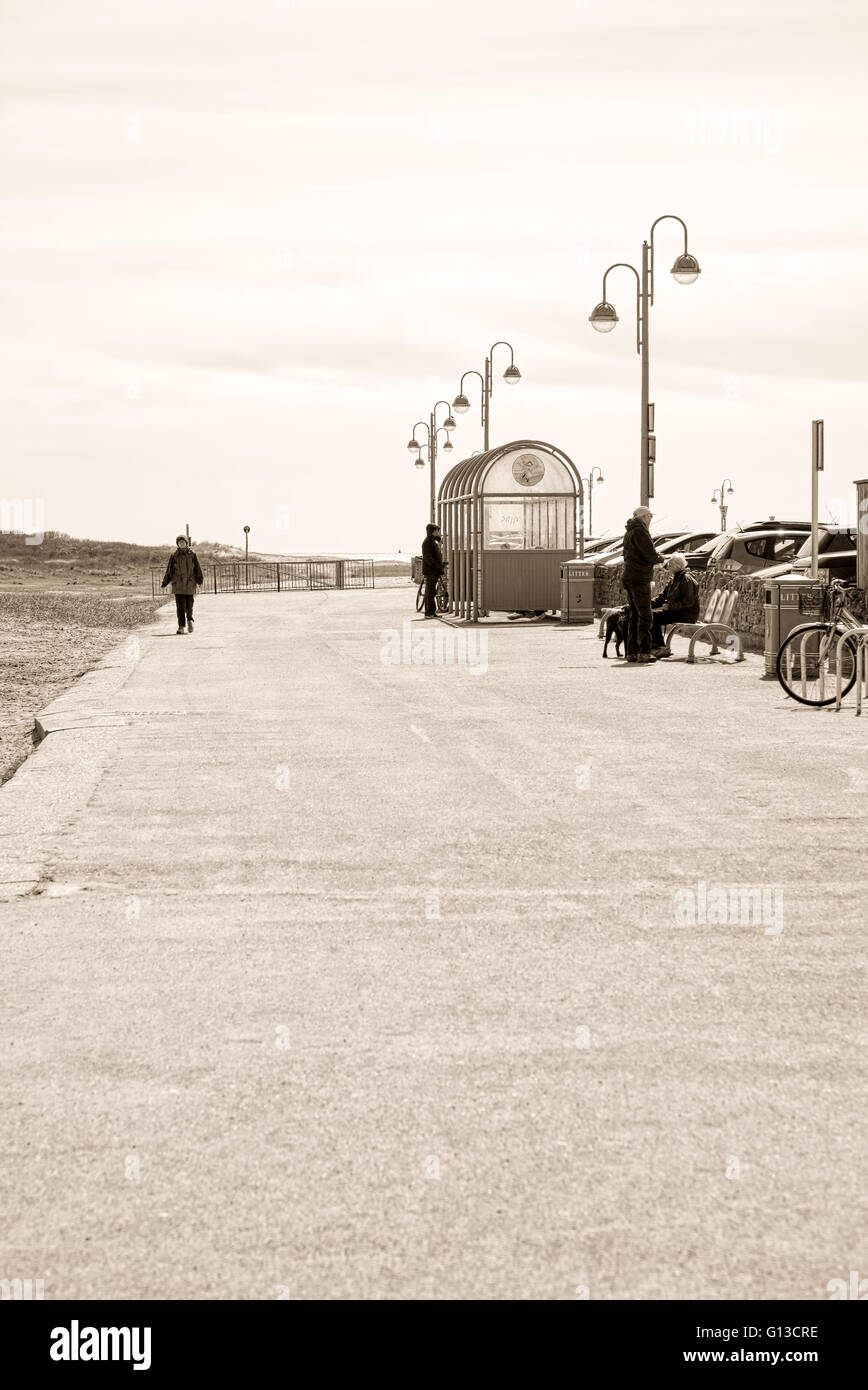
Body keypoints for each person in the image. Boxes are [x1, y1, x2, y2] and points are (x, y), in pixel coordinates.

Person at [621, 505, 663, 663]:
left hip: (630, 577)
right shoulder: (640, 531)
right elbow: (650, 554)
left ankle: (631, 652)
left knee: (634, 615)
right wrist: (661, 559)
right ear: (644, 517)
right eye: (650, 516)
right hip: (639, 578)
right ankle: (644, 652)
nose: (651, 519)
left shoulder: (630, 531)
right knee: (646, 616)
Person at [650, 553, 700, 656]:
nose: (668, 568)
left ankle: (660, 647)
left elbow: (689, 602)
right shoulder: (674, 579)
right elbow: (661, 598)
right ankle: (657, 646)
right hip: (675, 611)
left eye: (670, 565)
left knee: (653, 617)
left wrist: (670, 606)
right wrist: (646, 605)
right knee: (649, 614)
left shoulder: (687, 579)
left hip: (686, 614)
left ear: (678, 566)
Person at [161, 534, 204, 634]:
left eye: (183, 542)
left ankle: (189, 620)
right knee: (180, 607)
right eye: (179, 542)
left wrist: (199, 580)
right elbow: (169, 571)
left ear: (186, 543)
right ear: (177, 544)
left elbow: (197, 568)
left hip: (190, 584)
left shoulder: (192, 555)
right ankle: (181, 626)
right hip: (178, 584)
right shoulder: (174, 556)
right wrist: (165, 582)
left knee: (189, 605)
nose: (181, 544)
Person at [421, 522, 444, 618]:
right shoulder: (428, 542)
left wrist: (439, 540)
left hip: (432, 570)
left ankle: (431, 612)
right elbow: (428, 557)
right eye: (436, 531)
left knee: (431, 592)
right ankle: (429, 612)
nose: (438, 533)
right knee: (430, 592)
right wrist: (436, 566)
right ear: (432, 532)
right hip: (431, 571)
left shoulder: (431, 541)